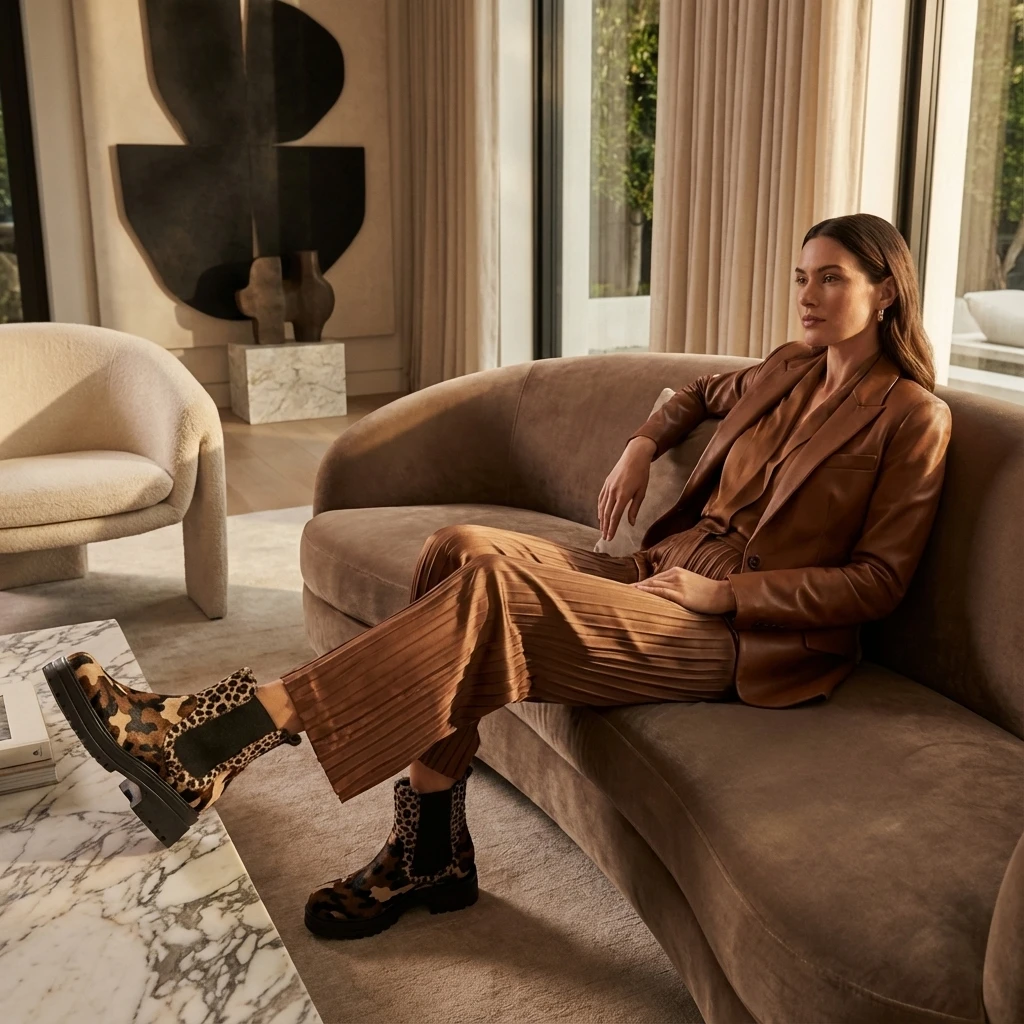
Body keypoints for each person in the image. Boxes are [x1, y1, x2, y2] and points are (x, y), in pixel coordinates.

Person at [45, 212, 952, 942]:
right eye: (801, 275)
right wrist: (642, 445)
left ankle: (217, 734)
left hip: (735, 634)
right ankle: (432, 845)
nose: (808, 294)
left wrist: (725, 595)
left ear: (885, 292)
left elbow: (877, 582)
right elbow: (695, 396)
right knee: (460, 548)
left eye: (831, 277)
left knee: (494, 595)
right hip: (654, 571)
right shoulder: (789, 371)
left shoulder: (911, 419)